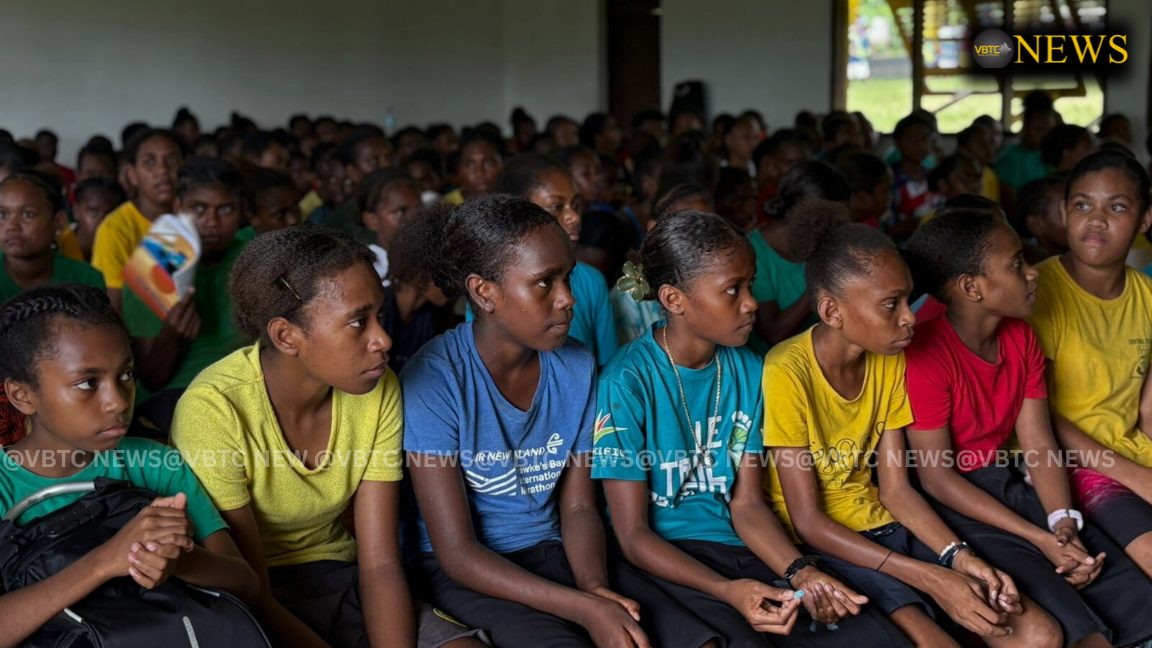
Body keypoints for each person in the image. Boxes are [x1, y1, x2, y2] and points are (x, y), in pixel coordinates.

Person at [402, 194, 719, 647]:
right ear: (483, 292)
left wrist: (594, 588)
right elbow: (457, 552)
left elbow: (578, 507)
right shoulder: (434, 380)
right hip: (473, 572)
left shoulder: (575, 366)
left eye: (566, 277)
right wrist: (584, 608)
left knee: (690, 639)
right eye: (544, 283)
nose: (568, 299)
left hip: (561, 552)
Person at [595, 211, 909, 646]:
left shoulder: (747, 369)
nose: (751, 302)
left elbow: (746, 506)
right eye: (732, 289)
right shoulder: (626, 382)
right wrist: (728, 591)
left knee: (872, 635)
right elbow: (632, 535)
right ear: (673, 298)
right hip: (663, 560)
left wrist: (801, 571)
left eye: (750, 283)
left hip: (743, 545)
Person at [171, 227, 484, 648]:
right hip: (251, 598)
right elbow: (253, 589)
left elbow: (380, 564)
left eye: (379, 315)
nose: (383, 339)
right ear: (286, 336)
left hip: (342, 576)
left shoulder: (377, 389)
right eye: (358, 322)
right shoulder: (215, 409)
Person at [763, 213, 1061, 646]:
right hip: (830, 544)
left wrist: (959, 559)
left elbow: (896, 490)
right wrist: (932, 577)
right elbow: (807, 520)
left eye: (908, 300)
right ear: (832, 310)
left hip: (889, 524)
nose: (908, 318)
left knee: (1038, 634)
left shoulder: (891, 361)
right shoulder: (786, 370)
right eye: (891, 304)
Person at [904, 207, 1152, 647]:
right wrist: (1038, 538)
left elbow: (1039, 443)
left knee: (1129, 595)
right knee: (1073, 632)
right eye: (1017, 264)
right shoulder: (928, 357)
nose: (1033, 273)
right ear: (971, 288)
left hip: (1014, 484)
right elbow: (936, 477)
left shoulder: (1020, 338)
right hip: (959, 506)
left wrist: (1062, 522)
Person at [0, 285, 258, 646]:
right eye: (88, 383)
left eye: (126, 375)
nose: (118, 401)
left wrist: (180, 562)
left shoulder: (155, 465)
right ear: (22, 395)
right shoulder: (5, 489)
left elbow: (246, 583)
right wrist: (106, 560)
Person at [1026, 151, 1152, 578]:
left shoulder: (1148, 297)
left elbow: (1148, 411)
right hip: (1067, 465)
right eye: (1082, 205)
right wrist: (1137, 477)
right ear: (1063, 212)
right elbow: (1038, 419)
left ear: (1145, 221)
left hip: (1131, 454)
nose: (1096, 220)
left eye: (1116, 207)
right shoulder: (1037, 295)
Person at [121, 157, 246, 433]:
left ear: (240, 211)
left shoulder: (254, 256)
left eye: (225, 209)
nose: (212, 222)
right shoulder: (153, 265)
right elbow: (151, 378)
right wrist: (172, 338)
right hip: (175, 397)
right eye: (198, 208)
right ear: (178, 207)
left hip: (248, 389)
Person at [500, 154, 619, 367]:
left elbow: (610, 367)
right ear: (518, 214)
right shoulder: (494, 287)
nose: (574, 217)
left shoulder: (591, 280)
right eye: (557, 207)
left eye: (576, 205)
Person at [748, 162, 850, 354]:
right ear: (813, 217)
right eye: (833, 219)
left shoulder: (819, 241)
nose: (836, 227)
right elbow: (773, 333)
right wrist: (820, 281)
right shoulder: (754, 253)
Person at [91, 128, 183, 312]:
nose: (162, 170)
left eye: (171, 160)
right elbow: (113, 308)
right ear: (132, 175)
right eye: (150, 162)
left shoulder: (197, 218)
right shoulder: (114, 229)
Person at [0, 172, 104, 303]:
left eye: (28, 215)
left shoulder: (86, 278)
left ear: (58, 222)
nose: (11, 226)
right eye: (2, 215)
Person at [71, 177, 127, 261]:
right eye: (93, 212)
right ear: (76, 211)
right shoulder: (57, 248)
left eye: (110, 214)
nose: (103, 220)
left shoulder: (130, 247)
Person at [441, 130, 503, 206]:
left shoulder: (517, 199)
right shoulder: (445, 207)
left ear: (504, 163)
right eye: (470, 164)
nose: (479, 173)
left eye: (489, 163)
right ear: (458, 169)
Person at [240, 167, 302, 239]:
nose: (293, 221)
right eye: (279, 214)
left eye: (295, 207)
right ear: (253, 219)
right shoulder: (240, 248)